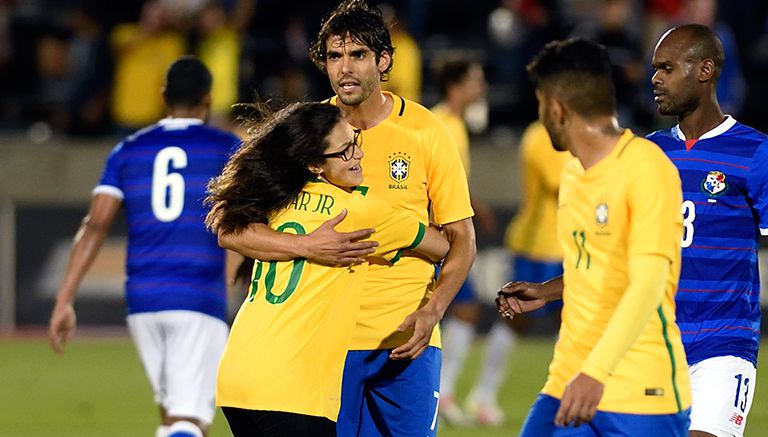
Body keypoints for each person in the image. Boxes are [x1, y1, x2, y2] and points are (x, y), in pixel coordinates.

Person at [218, 1, 476, 436]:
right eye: (335, 57)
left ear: (384, 60)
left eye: (357, 55)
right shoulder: (312, 131)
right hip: (328, 347)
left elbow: (461, 239)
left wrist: (433, 311)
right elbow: (237, 224)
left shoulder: (426, 131)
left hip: (406, 338)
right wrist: (303, 246)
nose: (345, 69)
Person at [207, 101, 450, 437]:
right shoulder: (359, 212)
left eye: (355, 143)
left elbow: (227, 231)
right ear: (313, 164)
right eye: (345, 151)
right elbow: (442, 246)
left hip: (238, 375)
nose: (358, 156)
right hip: (292, 385)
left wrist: (302, 245)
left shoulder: (276, 200)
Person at [496, 38, 691, 435]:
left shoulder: (646, 169)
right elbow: (597, 268)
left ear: (556, 107)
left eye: (540, 104)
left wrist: (596, 373)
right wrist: (546, 292)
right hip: (568, 378)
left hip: (640, 390)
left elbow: (648, 284)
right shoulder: (573, 174)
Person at [47, 56, 241, 437]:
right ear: (208, 98)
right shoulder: (226, 148)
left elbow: (96, 223)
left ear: (163, 96)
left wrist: (64, 298)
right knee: (190, 422)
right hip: (197, 296)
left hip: (142, 301)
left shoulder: (129, 149)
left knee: (171, 417)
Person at [648, 24, 768, 437]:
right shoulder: (646, 153)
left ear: (704, 70)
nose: (655, 79)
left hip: (724, 347)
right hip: (652, 346)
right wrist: (548, 290)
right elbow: (617, 253)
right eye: (654, 69)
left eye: (666, 68)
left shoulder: (755, 151)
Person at [429, 56, 500, 426]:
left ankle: (440, 393)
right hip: (438, 235)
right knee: (461, 310)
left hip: (439, 232)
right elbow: (439, 184)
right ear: (457, 86)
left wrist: (476, 206)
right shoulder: (447, 125)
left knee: (456, 311)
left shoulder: (447, 121)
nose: (482, 87)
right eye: (475, 79)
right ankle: (440, 392)